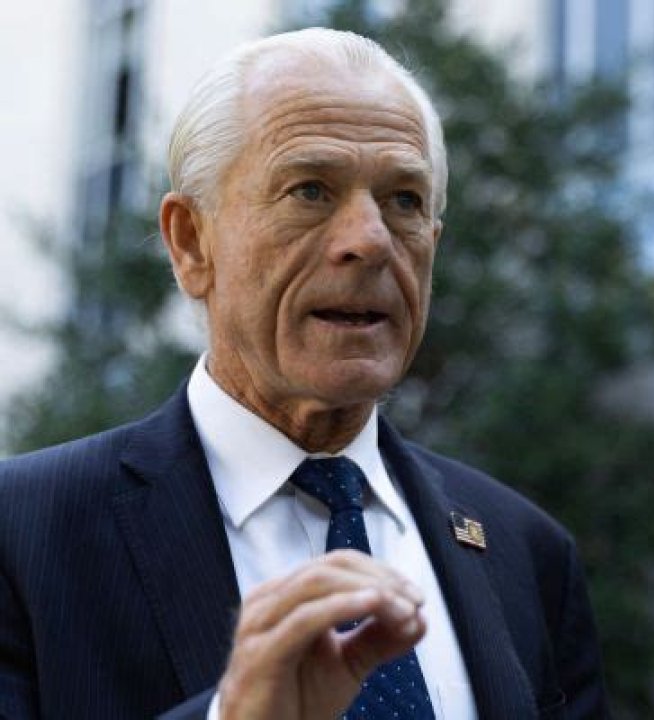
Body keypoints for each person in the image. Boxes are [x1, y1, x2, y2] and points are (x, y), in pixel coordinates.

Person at [0, 28, 609, 720]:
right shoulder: (23, 537)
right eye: (311, 190)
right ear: (191, 243)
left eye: (405, 201)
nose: (371, 240)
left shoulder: (528, 554)